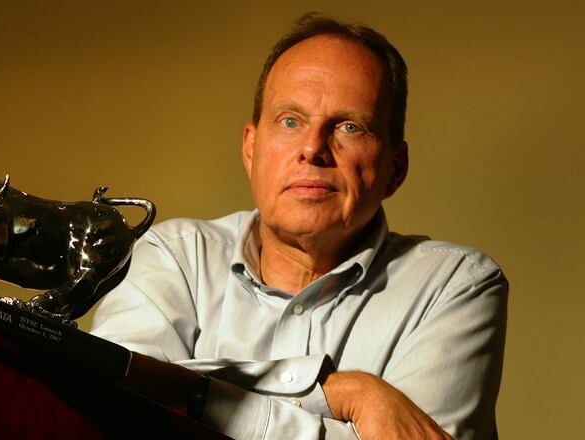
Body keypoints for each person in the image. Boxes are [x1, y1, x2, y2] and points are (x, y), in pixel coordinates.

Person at [91, 12, 507, 440]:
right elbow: (111, 400)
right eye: (290, 121)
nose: (312, 148)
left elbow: (147, 388)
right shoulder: (174, 256)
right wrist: (351, 394)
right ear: (251, 149)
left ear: (395, 168)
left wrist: (189, 391)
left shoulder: (456, 286)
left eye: (349, 126)